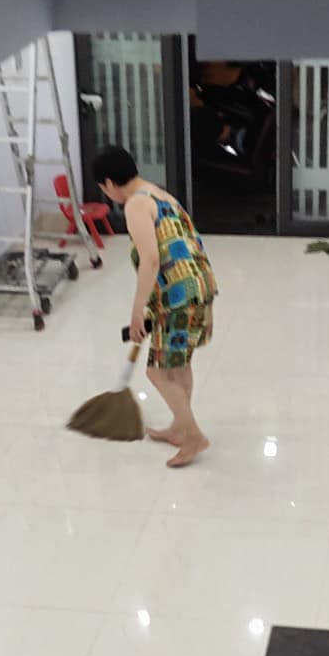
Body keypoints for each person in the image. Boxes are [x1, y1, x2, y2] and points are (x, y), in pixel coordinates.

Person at [91, 146, 218, 468]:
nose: (106, 194)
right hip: (197, 288)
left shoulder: (136, 205)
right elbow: (189, 245)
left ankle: (193, 437)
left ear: (109, 183)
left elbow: (150, 260)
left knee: (157, 371)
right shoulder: (161, 195)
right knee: (178, 365)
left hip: (178, 297)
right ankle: (180, 426)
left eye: (103, 189)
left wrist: (137, 312)